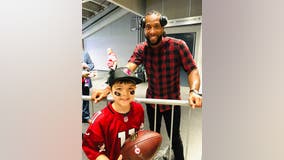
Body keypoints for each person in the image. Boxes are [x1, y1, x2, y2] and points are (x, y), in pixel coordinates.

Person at [91, 10, 202, 159]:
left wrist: (194, 91)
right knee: (151, 137)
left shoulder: (178, 46)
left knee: (175, 137)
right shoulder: (141, 49)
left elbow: (192, 69)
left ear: (163, 27)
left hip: (172, 103)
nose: (152, 31)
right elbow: (128, 70)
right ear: (144, 28)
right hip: (152, 103)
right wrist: (107, 88)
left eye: (156, 26)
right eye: (148, 27)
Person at [82, 67, 144, 160]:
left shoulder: (138, 109)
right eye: (119, 89)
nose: (125, 94)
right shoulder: (101, 119)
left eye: (130, 89)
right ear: (110, 90)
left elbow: (138, 136)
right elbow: (91, 148)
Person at [82, 50, 95, 123]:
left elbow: (91, 64)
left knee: (86, 99)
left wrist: (87, 66)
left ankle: (85, 117)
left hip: (85, 81)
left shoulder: (85, 53)